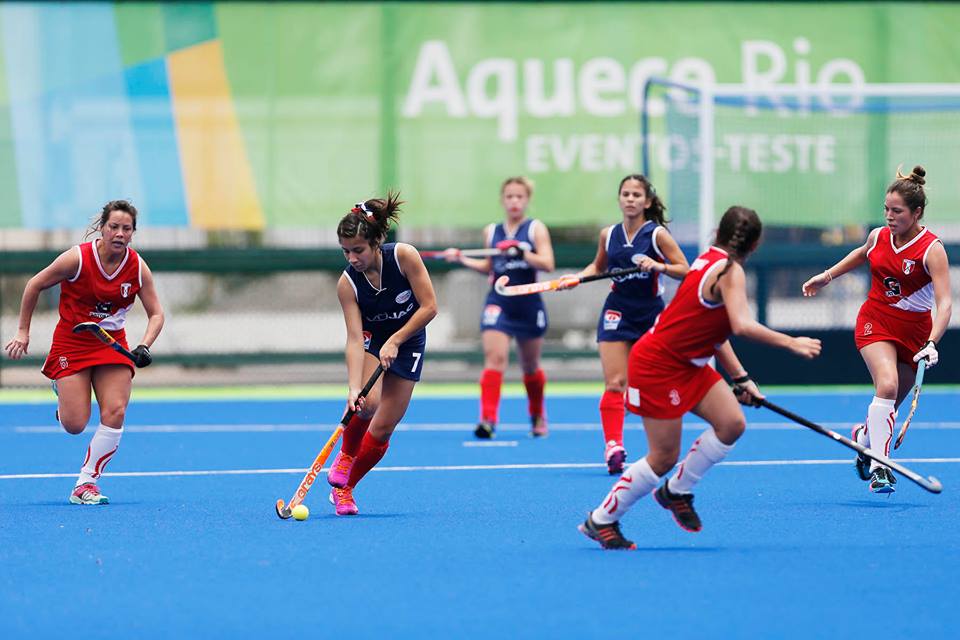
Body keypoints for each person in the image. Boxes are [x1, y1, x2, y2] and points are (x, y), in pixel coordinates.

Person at [579, 206, 822, 550]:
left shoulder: (707, 259)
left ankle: (676, 490)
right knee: (663, 456)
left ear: (717, 233)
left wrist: (741, 378)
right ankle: (601, 520)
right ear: (756, 244)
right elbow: (739, 325)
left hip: (689, 364)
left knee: (731, 423)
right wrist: (790, 342)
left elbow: (715, 331)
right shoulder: (728, 271)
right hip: (659, 366)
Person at [801, 165, 951, 494]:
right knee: (887, 385)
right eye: (886, 209)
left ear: (917, 213)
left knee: (890, 404)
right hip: (876, 320)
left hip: (915, 332)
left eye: (896, 211)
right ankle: (881, 469)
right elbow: (861, 254)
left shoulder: (932, 250)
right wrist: (825, 277)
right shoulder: (879, 236)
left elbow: (946, 303)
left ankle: (862, 437)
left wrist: (931, 342)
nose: (889, 216)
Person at [4, 200, 164, 505]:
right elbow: (34, 285)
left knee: (115, 411)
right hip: (72, 342)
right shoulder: (77, 259)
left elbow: (156, 313)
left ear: (133, 233)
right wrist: (23, 332)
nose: (119, 233)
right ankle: (63, 395)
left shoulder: (137, 267)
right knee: (75, 424)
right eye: (113, 227)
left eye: (126, 228)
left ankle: (86, 482)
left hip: (110, 343)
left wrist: (145, 344)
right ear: (102, 228)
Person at [560, 174, 689, 474]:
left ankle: (654, 435)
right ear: (619, 199)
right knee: (615, 382)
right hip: (617, 311)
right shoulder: (609, 234)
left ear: (647, 201)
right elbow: (598, 266)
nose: (630, 199)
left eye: (636, 195)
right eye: (625, 194)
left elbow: (685, 270)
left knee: (648, 383)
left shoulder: (656, 235)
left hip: (651, 313)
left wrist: (659, 266)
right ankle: (613, 447)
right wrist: (577, 278)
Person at [325, 193, 438, 515]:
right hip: (372, 341)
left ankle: (346, 488)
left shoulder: (405, 257)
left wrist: (398, 339)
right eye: (345, 251)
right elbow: (352, 338)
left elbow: (430, 307)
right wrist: (351, 388)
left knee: (384, 427)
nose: (352, 258)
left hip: (410, 340)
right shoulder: (347, 284)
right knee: (367, 404)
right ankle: (346, 455)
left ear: (377, 242)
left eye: (358, 250)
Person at [445, 177, 556, 439]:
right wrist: (461, 258)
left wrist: (521, 253)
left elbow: (548, 263)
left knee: (530, 365)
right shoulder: (491, 231)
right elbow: (489, 266)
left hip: (528, 301)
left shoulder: (535, 229)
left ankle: (538, 415)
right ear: (502, 200)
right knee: (495, 359)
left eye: (519, 197)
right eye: (509, 196)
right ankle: (488, 419)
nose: (514, 201)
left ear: (527, 200)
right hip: (499, 302)